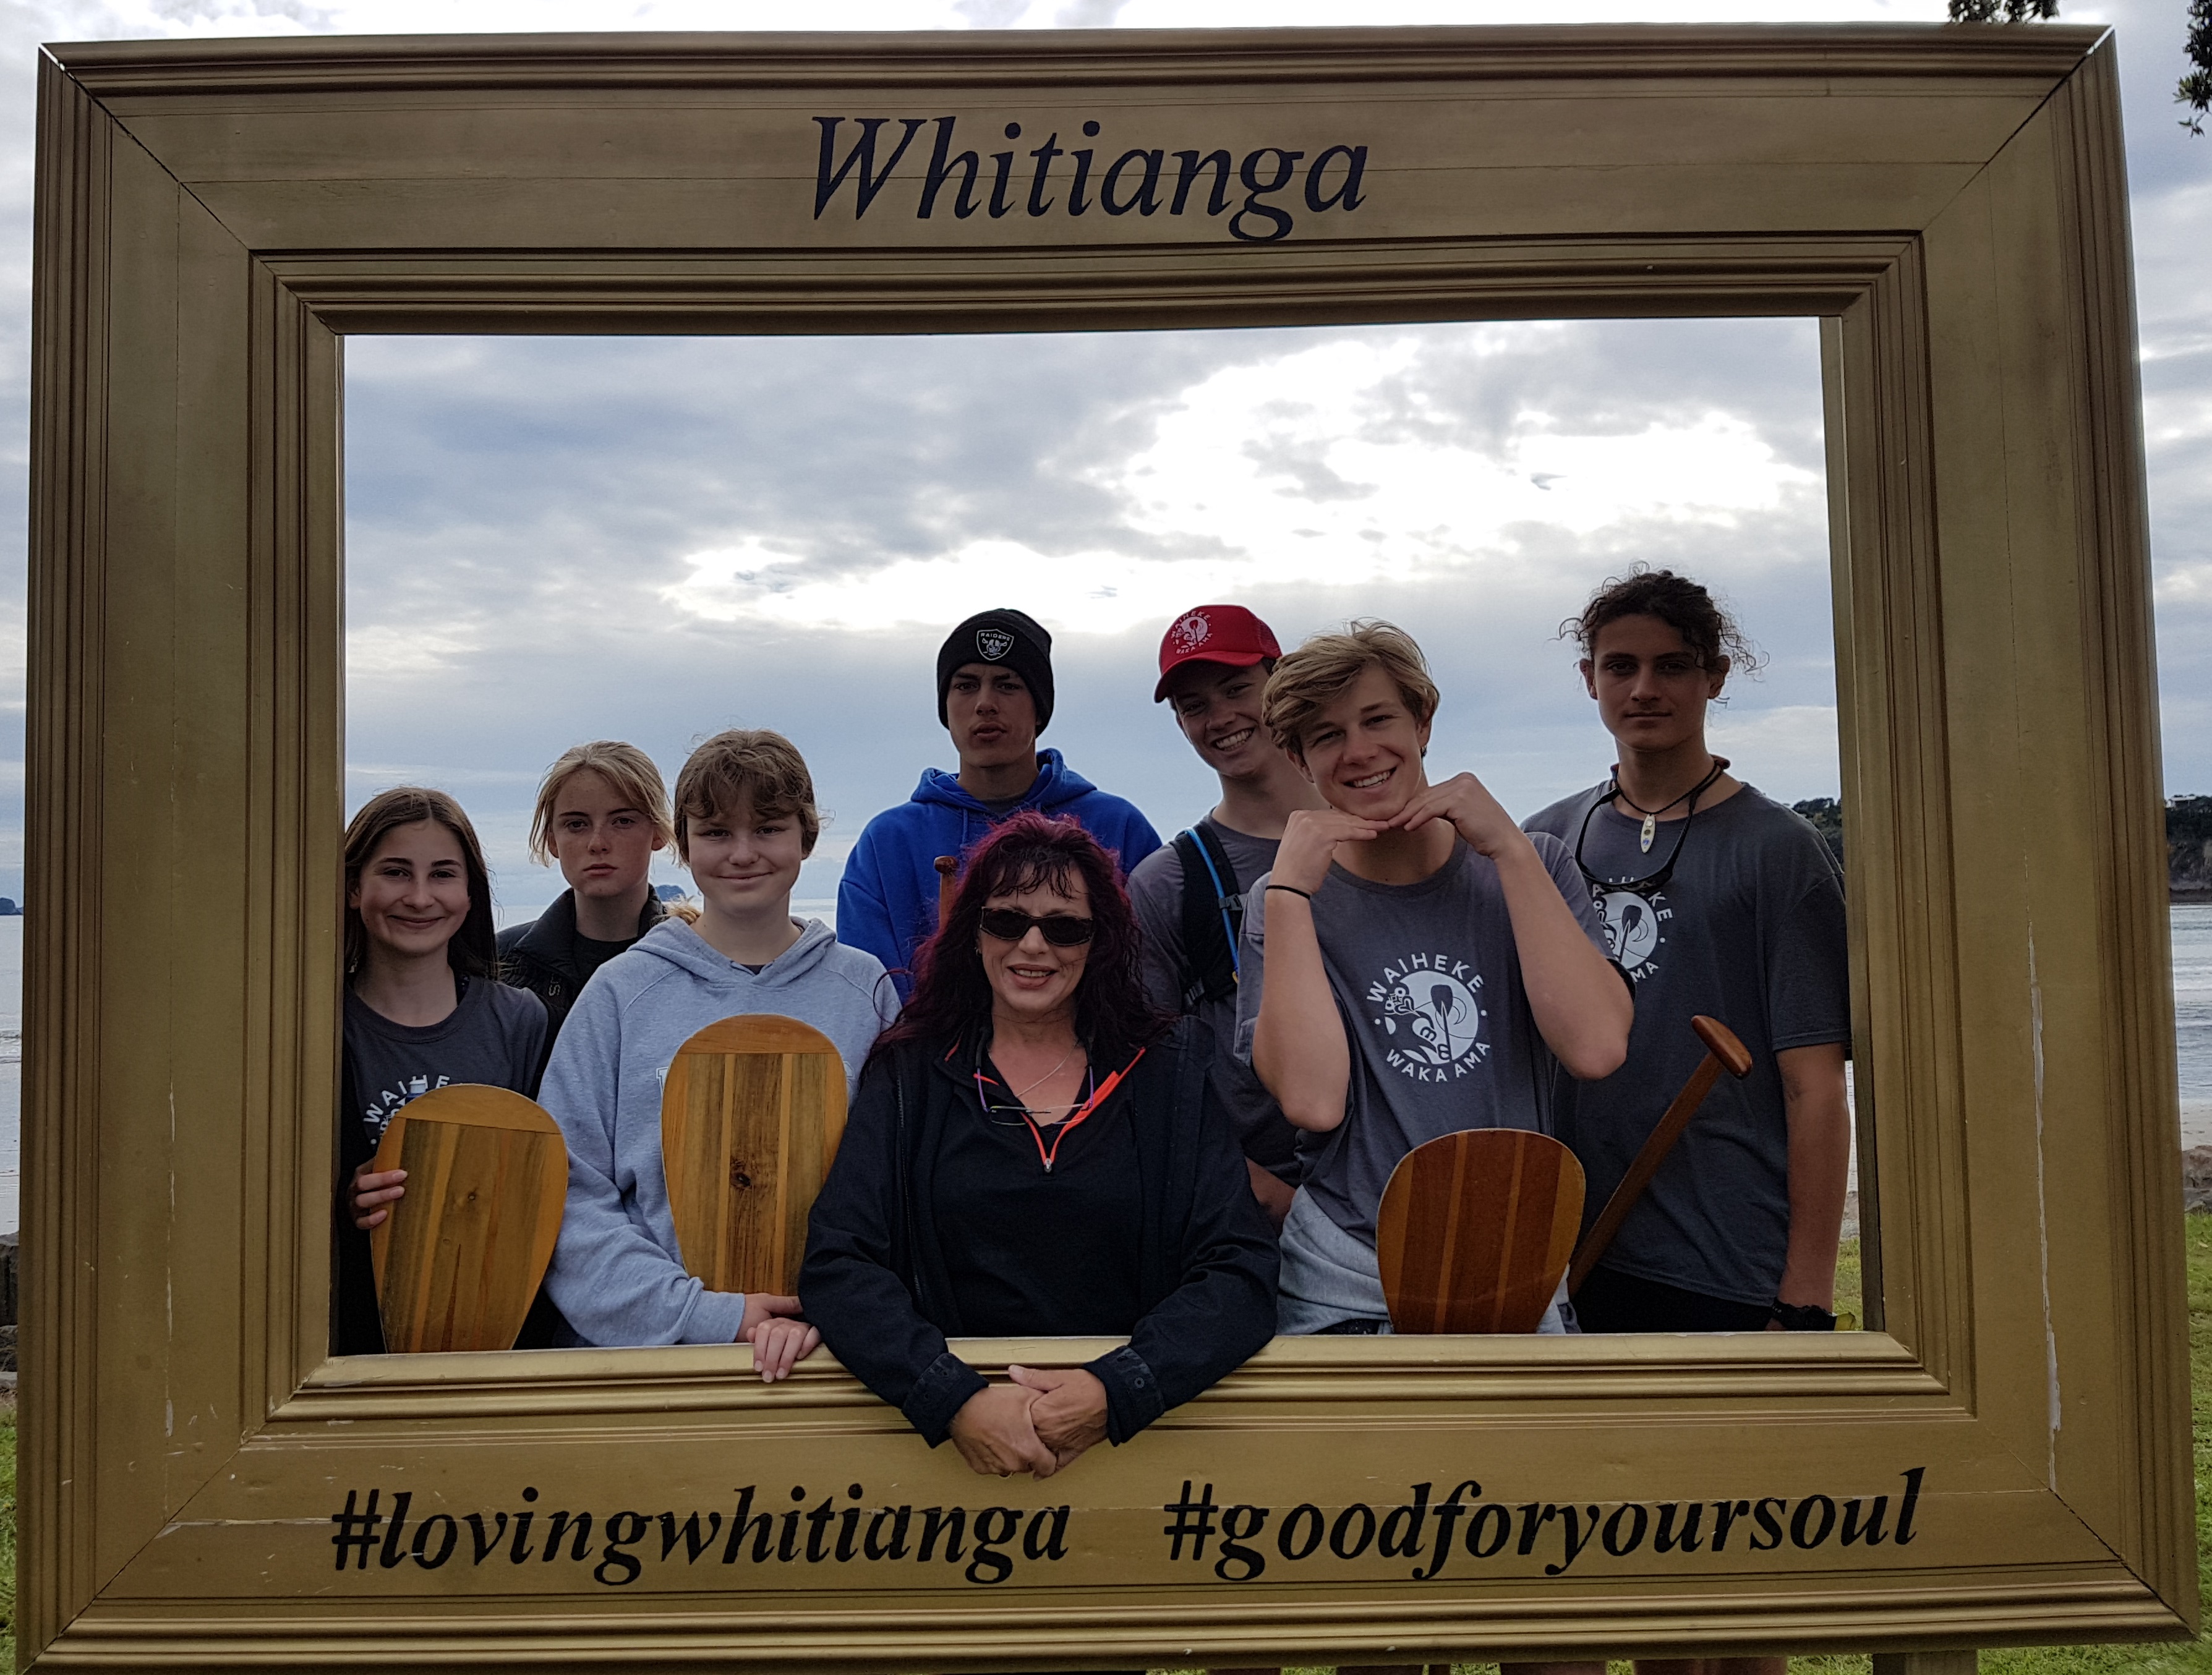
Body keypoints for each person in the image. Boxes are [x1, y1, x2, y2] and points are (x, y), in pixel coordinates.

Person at [799, 811, 1278, 1478]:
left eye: (1064, 926)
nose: (1032, 946)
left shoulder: (1168, 1068)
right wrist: (952, 1398)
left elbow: (1239, 1271)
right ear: (972, 933)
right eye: (1006, 920)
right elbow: (839, 1264)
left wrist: (1120, 1389)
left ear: (1099, 940)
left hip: (1145, 1448)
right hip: (945, 1457)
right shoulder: (910, 1072)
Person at [1238, 621, 1631, 1335]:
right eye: (1326, 736)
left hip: (1518, 1265)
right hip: (1348, 1280)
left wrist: (1509, 849)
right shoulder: (1284, 902)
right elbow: (1313, 1100)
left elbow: (1597, 1047)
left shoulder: (1533, 863)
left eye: (1378, 718)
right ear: (1298, 758)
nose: (1358, 751)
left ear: (1423, 721)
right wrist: (1290, 895)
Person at [1524, 568, 1850, 1344]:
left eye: (1671, 666)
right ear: (1588, 679)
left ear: (1714, 675)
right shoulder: (1541, 843)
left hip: (1721, 1260)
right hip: (1562, 1258)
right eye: (1619, 667)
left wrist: (1803, 1296)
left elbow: (1815, 1089)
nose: (1644, 688)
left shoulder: (1778, 851)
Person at [536, 729, 899, 1359]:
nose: (742, 853)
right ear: (682, 842)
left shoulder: (864, 990)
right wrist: (698, 1313)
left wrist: (837, 1309)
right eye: (716, 832)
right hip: (651, 1362)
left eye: (768, 828)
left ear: (806, 837)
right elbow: (568, 1191)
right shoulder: (621, 993)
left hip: (832, 1356)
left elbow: (897, 1183)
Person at [837, 607, 1161, 996]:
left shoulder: (1117, 827)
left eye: (1007, 685)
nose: (985, 704)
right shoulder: (887, 842)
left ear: (1040, 708)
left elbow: (1150, 975)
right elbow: (866, 992)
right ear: (945, 707)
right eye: (966, 685)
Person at [1127, 604, 1325, 1225]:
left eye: (1238, 689)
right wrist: (1258, 1192)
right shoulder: (1168, 883)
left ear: (1282, 680)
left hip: (1402, 1182)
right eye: (1193, 706)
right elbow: (1146, 1080)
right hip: (1265, 1210)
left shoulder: (1378, 836)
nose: (1220, 718)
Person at [334, 787, 549, 1356]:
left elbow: (548, 1182)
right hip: (353, 1345)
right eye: (397, 872)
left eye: (443, 874)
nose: (421, 897)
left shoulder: (519, 1022)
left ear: (470, 893)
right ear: (356, 887)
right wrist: (341, 1201)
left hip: (494, 1337)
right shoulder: (314, 1029)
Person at [498, 740, 674, 1055]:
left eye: (623, 821)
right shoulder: (501, 965)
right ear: (552, 840)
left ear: (658, 832)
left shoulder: (693, 962)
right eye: (576, 824)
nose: (598, 843)